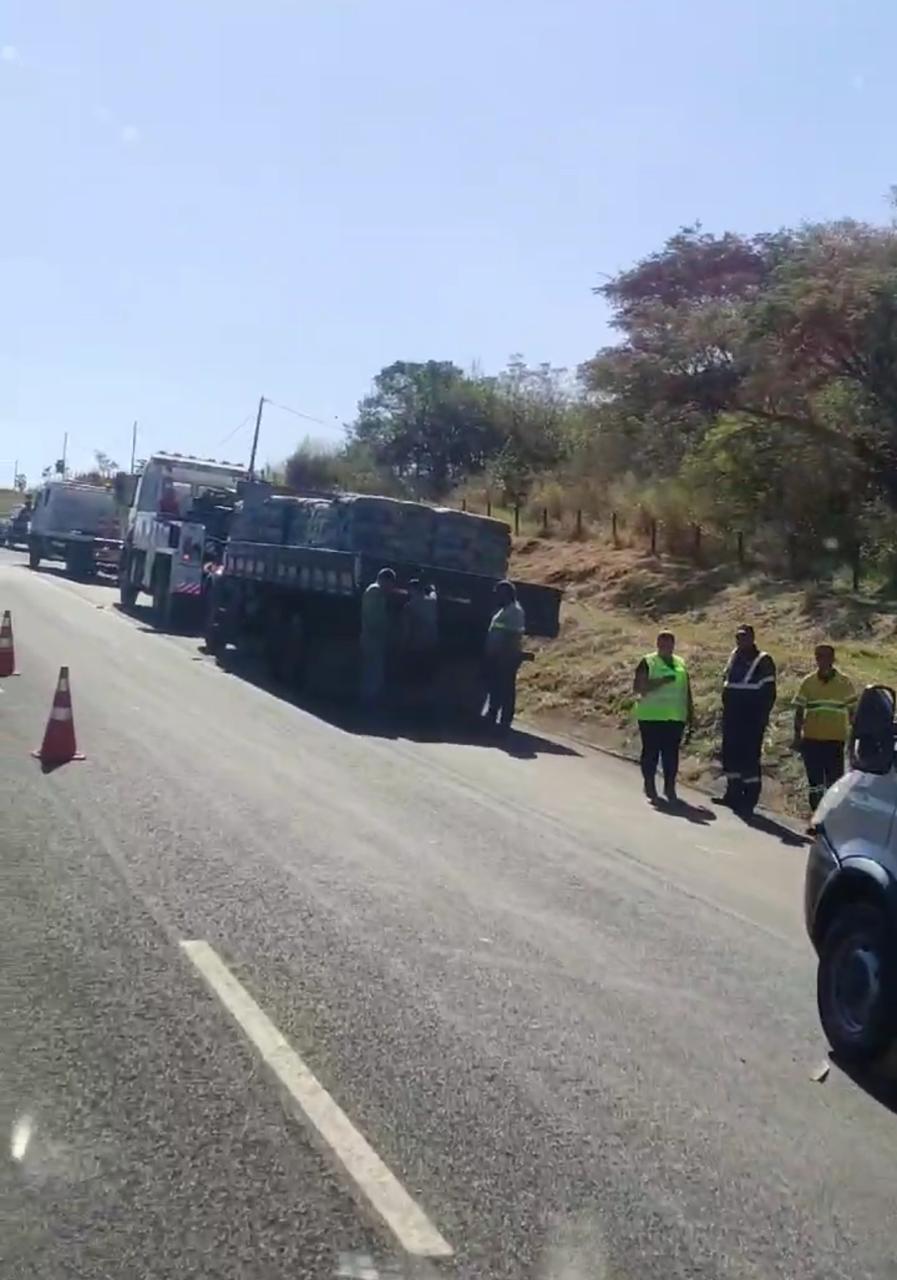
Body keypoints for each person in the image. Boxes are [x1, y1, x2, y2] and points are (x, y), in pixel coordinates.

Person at [717, 624, 776, 816]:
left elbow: (769, 693)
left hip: (751, 718)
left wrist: (761, 718)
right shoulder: (734, 656)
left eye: (744, 637)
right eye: (738, 637)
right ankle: (732, 793)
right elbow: (727, 683)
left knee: (749, 758)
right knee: (730, 754)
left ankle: (749, 799)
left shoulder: (763, 660)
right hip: (732, 716)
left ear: (752, 638)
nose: (741, 641)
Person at [792, 644, 856, 819]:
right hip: (812, 740)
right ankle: (816, 818)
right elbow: (799, 711)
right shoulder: (808, 682)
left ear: (832, 659)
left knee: (834, 783)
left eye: (826, 656)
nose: (822, 660)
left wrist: (855, 741)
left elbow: (853, 713)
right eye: (818, 656)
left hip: (835, 741)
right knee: (815, 783)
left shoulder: (844, 682)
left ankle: (831, 819)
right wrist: (797, 736)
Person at [633, 630, 694, 804]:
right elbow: (638, 687)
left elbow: (686, 690)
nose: (666, 647)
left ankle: (669, 787)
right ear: (657, 644)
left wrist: (690, 712)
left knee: (671, 755)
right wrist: (661, 681)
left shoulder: (680, 663)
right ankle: (650, 784)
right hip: (651, 716)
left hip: (675, 718)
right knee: (651, 752)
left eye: (669, 643)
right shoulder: (648, 662)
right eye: (663, 643)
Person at [483, 580, 526, 734]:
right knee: (496, 686)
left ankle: (505, 719)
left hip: (507, 655)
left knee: (506, 687)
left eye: (499, 594)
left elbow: (511, 635)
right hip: (499, 654)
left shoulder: (514, 611)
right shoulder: (505, 610)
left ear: (506, 594)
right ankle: (492, 713)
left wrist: (500, 652)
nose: (496, 597)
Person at [401, 578, 439, 717]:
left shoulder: (409, 606)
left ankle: (410, 706)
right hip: (430, 644)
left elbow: (407, 629)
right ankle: (425, 706)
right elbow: (434, 595)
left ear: (411, 590)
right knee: (425, 677)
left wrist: (403, 645)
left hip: (415, 645)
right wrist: (432, 588)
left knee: (412, 677)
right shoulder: (432, 603)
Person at [360, 567, 396, 706]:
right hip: (372, 638)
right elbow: (374, 618)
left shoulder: (376, 592)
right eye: (390, 583)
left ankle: (369, 699)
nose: (390, 587)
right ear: (384, 580)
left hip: (373, 638)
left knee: (373, 671)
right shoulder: (375, 592)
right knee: (372, 672)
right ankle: (368, 701)